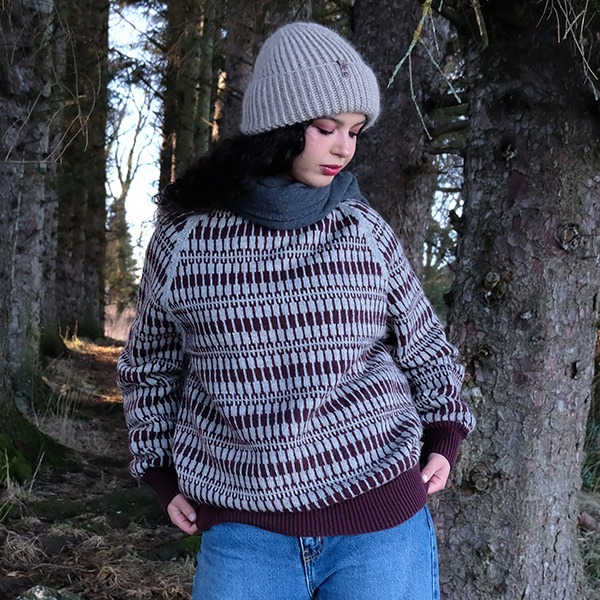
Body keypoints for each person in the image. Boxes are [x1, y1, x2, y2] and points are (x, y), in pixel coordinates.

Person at [118, 22, 476, 600]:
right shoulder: (185, 238)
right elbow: (150, 365)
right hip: (244, 531)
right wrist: (158, 471)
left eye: (355, 131)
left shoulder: (361, 229)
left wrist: (444, 432)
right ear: (277, 128)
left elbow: (424, 343)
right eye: (326, 128)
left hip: (379, 523)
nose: (344, 148)